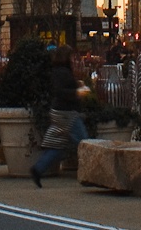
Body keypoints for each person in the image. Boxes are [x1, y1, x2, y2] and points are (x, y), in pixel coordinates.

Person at [30, 46, 88, 187]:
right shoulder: (63, 72)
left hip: (59, 112)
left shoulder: (57, 71)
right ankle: (93, 172)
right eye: (72, 57)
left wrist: (76, 86)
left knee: (57, 146)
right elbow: (62, 91)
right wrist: (77, 92)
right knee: (85, 143)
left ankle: (38, 169)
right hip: (67, 113)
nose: (75, 60)